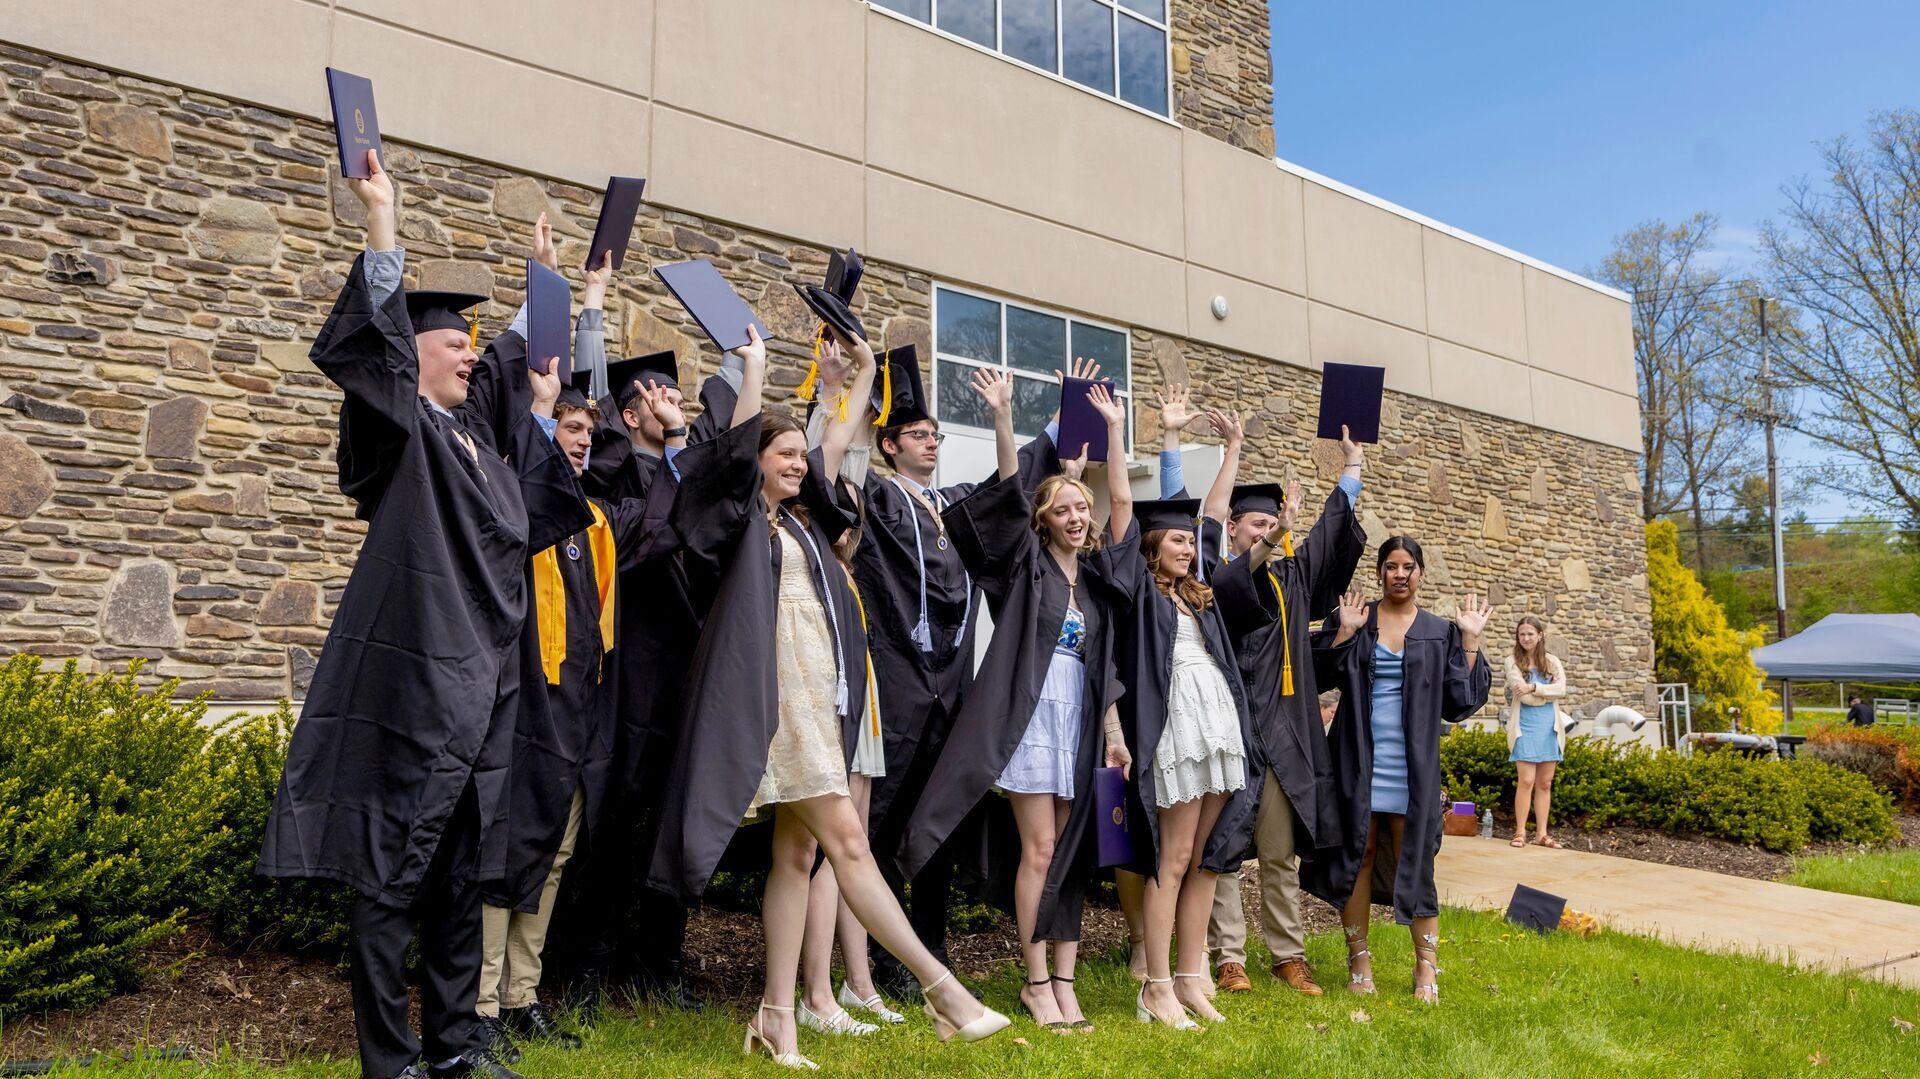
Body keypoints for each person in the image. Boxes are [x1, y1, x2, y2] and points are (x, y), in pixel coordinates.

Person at [256, 149, 591, 1079]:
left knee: (456, 886)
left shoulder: (482, 449)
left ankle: (453, 1048)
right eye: (455, 340)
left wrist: (555, 302)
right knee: (388, 878)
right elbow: (374, 359)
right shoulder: (400, 435)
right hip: (410, 684)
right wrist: (381, 222)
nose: (470, 349)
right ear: (414, 350)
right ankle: (389, 1059)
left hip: (483, 693)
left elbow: (539, 499)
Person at [648, 328, 1010, 1068]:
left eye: (796, 455)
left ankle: (777, 1017)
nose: (797, 463)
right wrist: (753, 371)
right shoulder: (743, 523)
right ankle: (942, 989)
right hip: (777, 708)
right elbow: (725, 464)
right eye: (781, 454)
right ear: (755, 464)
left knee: (799, 851)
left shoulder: (801, 532)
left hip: (818, 705)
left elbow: (836, 443)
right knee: (849, 843)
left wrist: (865, 373)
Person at [826, 343, 1075, 1003]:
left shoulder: (955, 507)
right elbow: (835, 476)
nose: (931, 442)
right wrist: (851, 390)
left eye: (935, 434)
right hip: (898, 685)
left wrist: (1008, 416)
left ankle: (928, 953)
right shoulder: (878, 498)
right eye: (917, 434)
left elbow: (1015, 489)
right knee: (877, 827)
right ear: (888, 446)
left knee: (935, 828)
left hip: (951, 690)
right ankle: (878, 962)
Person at [899, 370, 1134, 1035]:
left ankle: (1065, 980)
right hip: (1031, 716)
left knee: (1070, 854)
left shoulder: (1092, 582)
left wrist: (1114, 731)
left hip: (1080, 722)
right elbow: (1006, 490)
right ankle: (1036, 983)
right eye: (1062, 507)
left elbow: (1101, 665)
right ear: (1043, 521)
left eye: (1079, 507)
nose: (1076, 514)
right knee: (1039, 850)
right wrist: (1006, 416)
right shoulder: (1025, 566)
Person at [1163, 389, 1364, 1001]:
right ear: (1234, 530)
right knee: (1220, 852)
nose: (1269, 532)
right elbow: (1206, 536)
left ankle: (1287, 955)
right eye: (1258, 524)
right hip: (1228, 726)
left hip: (1283, 732)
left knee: (1278, 852)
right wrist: (1219, 451)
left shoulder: (1293, 575)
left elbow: (1329, 537)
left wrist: (1352, 468)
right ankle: (1227, 958)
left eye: (1274, 525)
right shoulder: (1217, 576)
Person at [1116, 398, 1257, 1031]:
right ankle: (1155, 985)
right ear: (1151, 548)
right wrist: (1127, 436)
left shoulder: (1198, 599)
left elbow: (1214, 520)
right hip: (1175, 734)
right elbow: (1125, 512)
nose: (1190, 549)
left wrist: (1233, 452)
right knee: (1171, 860)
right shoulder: (1140, 596)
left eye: (1191, 543)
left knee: (1207, 858)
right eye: (1177, 540)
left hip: (1215, 732)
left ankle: (1193, 975)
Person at [1308, 539, 1491, 1005]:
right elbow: (1319, 677)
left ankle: (1426, 965)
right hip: (1357, 760)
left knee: (1417, 860)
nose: (1400, 574)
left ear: (1422, 574)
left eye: (1409, 567)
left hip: (1414, 768)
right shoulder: (1357, 618)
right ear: (1379, 573)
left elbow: (1460, 703)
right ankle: (1359, 961)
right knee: (1358, 856)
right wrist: (1345, 634)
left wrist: (1470, 642)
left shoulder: (1440, 630)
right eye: (1391, 566)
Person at [795, 356, 901, 1034]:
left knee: (849, 843)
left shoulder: (846, 564)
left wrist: (859, 384)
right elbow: (827, 452)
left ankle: (856, 981)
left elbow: (850, 454)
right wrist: (833, 388)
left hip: (859, 697)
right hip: (820, 699)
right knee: (822, 849)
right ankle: (816, 994)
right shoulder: (801, 540)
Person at [1505, 616, 1569, 849]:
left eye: (1530, 633)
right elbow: (1528, 701)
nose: (1526, 638)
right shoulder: (1512, 662)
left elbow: (1561, 689)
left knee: (1545, 782)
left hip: (1549, 727)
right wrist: (1545, 691)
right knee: (1526, 780)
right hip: (1525, 726)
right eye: (1522, 634)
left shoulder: (1551, 661)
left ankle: (1541, 834)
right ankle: (1520, 832)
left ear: (1540, 635)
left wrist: (1533, 686)